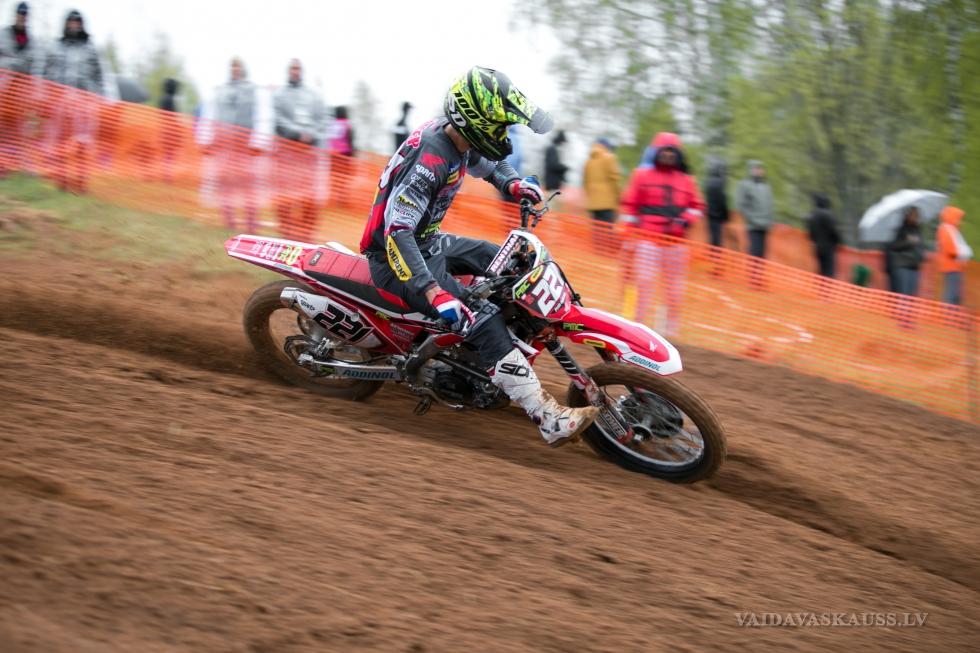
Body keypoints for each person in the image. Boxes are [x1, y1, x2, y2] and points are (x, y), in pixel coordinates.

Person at [359, 66, 598, 447]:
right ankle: (547, 417)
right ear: (474, 121)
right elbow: (397, 233)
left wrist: (513, 183)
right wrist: (434, 291)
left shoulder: (456, 139)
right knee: (480, 318)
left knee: (511, 260)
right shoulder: (430, 160)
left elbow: (487, 163)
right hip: (395, 259)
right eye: (497, 127)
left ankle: (489, 356)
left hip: (427, 242)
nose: (502, 136)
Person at [619, 132, 703, 336]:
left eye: (672, 151)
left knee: (674, 290)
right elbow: (630, 206)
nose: (668, 154)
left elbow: (697, 206)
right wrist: (629, 235)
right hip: (647, 240)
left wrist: (685, 220)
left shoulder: (687, 180)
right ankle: (637, 329)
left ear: (678, 154)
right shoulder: (641, 175)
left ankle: (669, 332)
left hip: (676, 242)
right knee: (643, 284)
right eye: (664, 150)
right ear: (656, 152)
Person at [196, 57, 269, 231]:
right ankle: (229, 223)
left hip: (246, 146)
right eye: (232, 66)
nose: (235, 69)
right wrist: (205, 139)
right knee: (225, 184)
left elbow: (261, 116)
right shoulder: (220, 91)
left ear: (243, 69)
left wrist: (259, 142)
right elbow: (209, 115)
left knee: (248, 185)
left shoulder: (254, 91)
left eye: (238, 66)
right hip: (224, 145)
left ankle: (251, 224)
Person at [42, 9, 108, 192]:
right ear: (66, 24)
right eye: (71, 22)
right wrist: (44, 96)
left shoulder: (91, 48)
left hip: (84, 102)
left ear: (82, 25)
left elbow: (101, 76)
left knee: (83, 143)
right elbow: (45, 72)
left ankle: (80, 180)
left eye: (77, 22)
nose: (74, 25)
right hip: (60, 101)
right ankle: (61, 179)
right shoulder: (55, 46)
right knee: (60, 142)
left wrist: (103, 100)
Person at [273, 58, 327, 241]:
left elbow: (323, 120)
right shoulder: (279, 95)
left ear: (301, 71)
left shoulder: (313, 96)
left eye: (297, 68)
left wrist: (311, 134)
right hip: (286, 155)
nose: (295, 71)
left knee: (310, 198)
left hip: (309, 157)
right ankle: (286, 233)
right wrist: (297, 133)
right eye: (292, 68)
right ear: (288, 71)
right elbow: (277, 119)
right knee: (284, 197)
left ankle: (307, 235)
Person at [0, 2, 41, 175]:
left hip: (21, 92)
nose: (22, 17)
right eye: (20, 14)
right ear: (15, 15)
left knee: (22, 128)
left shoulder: (31, 40)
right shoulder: (3, 34)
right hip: (3, 89)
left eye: (25, 15)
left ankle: (23, 163)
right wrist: (13, 65)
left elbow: (34, 66)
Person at [735, 160, 774, 258]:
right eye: (756, 168)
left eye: (761, 168)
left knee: (762, 255)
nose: (759, 171)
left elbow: (769, 205)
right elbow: (741, 205)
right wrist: (752, 219)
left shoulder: (766, 186)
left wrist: (769, 221)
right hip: (753, 226)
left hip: (765, 226)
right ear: (751, 170)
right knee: (754, 253)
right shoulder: (745, 185)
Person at [936, 206, 972, 306]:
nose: (960, 221)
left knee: (955, 295)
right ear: (952, 217)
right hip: (951, 267)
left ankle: (951, 313)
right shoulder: (946, 229)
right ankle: (947, 314)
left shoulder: (951, 229)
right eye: (958, 218)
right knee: (951, 295)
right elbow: (950, 249)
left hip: (956, 266)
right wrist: (964, 252)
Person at [887, 206, 924, 297]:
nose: (915, 217)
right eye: (913, 215)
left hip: (914, 266)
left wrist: (921, 256)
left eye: (917, 215)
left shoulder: (917, 230)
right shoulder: (900, 229)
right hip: (901, 266)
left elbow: (919, 246)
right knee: (902, 296)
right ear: (907, 216)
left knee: (911, 296)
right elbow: (893, 246)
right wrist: (908, 242)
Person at [583, 137, 620, 224]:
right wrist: (618, 197)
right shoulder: (610, 158)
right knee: (606, 230)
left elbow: (586, 183)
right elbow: (614, 180)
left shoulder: (589, 161)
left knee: (596, 229)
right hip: (607, 204)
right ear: (606, 146)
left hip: (593, 204)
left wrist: (591, 197)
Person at [807, 193, 841, 278]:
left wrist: (815, 240)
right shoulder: (827, 215)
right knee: (829, 271)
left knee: (821, 270)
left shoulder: (812, 215)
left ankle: (819, 286)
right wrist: (838, 241)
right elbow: (833, 231)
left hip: (817, 247)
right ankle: (827, 286)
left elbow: (810, 233)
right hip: (828, 247)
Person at [326, 105, 355, 207]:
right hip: (345, 154)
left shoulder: (331, 125)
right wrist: (352, 155)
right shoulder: (347, 124)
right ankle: (343, 199)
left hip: (333, 155)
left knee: (335, 177)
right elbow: (350, 139)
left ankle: (334, 198)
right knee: (344, 178)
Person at [703, 158, 730, 248]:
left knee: (712, 237)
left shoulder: (707, 181)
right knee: (717, 239)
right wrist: (725, 215)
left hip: (710, 214)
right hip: (718, 215)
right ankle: (715, 254)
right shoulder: (721, 182)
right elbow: (722, 199)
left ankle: (711, 253)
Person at [542, 129, 568, 195]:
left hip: (553, 183)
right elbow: (553, 165)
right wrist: (564, 168)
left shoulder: (553, 149)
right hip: (552, 184)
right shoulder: (552, 149)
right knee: (551, 199)